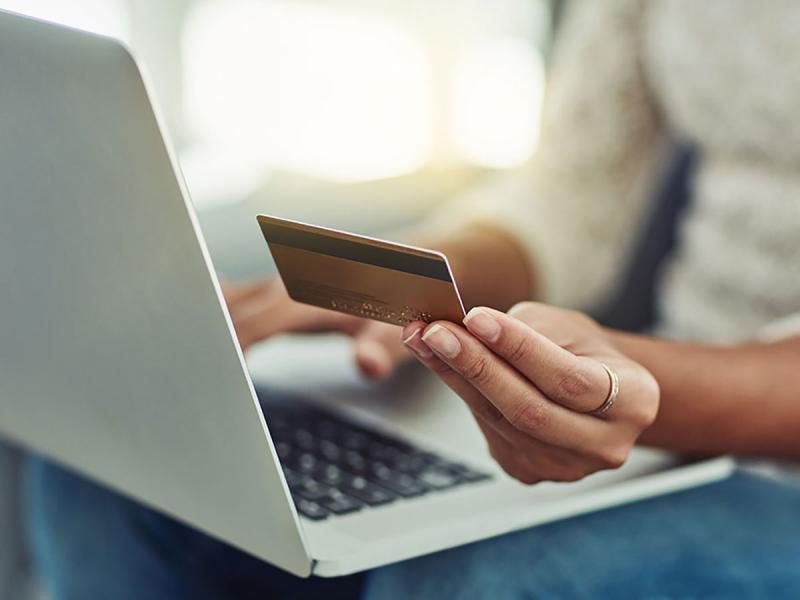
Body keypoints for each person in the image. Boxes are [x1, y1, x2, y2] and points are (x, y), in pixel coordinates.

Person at [26, 1, 800, 598]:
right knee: (118, 480)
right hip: (657, 392)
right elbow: (573, 198)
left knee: (467, 577)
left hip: (740, 438)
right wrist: (394, 280)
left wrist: (630, 387)